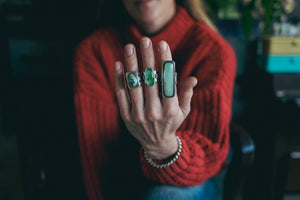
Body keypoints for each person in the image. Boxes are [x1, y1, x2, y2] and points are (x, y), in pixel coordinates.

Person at [73, 0, 236, 199]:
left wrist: (163, 148)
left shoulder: (212, 51)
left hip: (191, 183)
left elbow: (208, 156)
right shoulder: (94, 52)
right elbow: (97, 164)